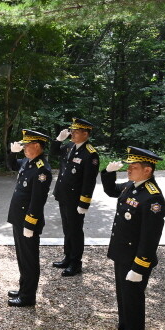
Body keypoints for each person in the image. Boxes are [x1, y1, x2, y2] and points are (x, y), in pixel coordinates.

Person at [101, 146, 165, 330]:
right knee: (123, 298)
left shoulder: (152, 198)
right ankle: (124, 329)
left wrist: (139, 267)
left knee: (133, 301)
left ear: (147, 170)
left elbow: (150, 237)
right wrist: (107, 173)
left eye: (134, 167)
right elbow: (112, 190)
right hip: (122, 254)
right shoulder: (132, 186)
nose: (128, 170)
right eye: (128, 166)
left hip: (135, 259)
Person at [6, 129, 52, 307]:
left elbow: (37, 200)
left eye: (26, 145)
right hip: (19, 218)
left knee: (29, 260)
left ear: (37, 146)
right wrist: (13, 153)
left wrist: (30, 223)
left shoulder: (42, 170)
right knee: (22, 257)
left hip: (27, 221)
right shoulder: (29, 161)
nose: (24, 147)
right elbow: (12, 166)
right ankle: (23, 288)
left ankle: (28, 297)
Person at [51, 118, 99, 276]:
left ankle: (75, 263)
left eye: (76, 131)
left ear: (85, 134)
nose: (72, 133)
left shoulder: (90, 154)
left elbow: (89, 181)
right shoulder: (70, 146)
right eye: (72, 130)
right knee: (67, 229)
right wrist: (58, 140)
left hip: (76, 199)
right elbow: (54, 152)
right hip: (63, 195)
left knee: (75, 230)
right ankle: (67, 257)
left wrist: (84, 203)